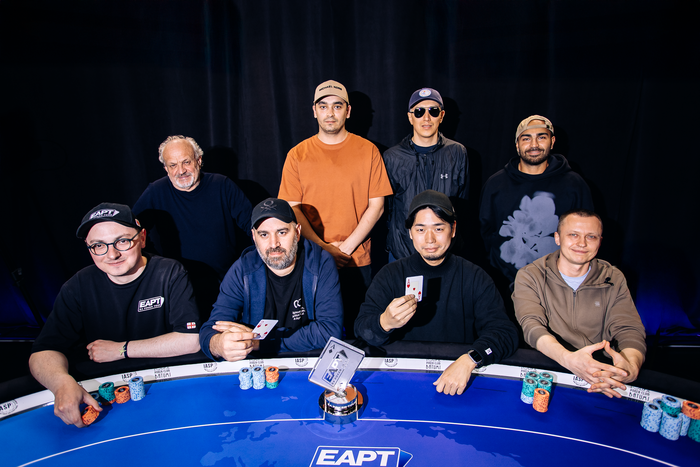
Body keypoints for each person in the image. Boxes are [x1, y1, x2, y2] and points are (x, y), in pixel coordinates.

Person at [29, 203, 201, 427]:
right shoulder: (77, 286)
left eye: (122, 241)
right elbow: (42, 353)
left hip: (165, 384)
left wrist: (120, 349)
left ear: (142, 238)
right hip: (106, 394)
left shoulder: (169, 272)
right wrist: (61, 383)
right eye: (98, 245)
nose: (112, 254)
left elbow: (190, 340)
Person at [355, 190, 518, 396]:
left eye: (438, 228)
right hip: (401, 377)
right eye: (420, 229)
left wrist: (471, 359)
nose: (430, 239)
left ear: (453, 229)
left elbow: (505, 333)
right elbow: (361, 329)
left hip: (455, 378)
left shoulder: (475, 276)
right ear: (410, 232)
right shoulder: (390, 274)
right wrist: (384, 322)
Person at [278, 80, 393, 337]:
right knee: (313, 334)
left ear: (348, 111)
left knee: (358, 333)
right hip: (312, 259)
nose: (330, 113)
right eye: (323, 106)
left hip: (356, 260)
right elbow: (292, 209)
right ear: (314, 110)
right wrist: (324, 248)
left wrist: (345, 249)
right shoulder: (297, 154)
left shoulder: (368, 151)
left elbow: (377, 206)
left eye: (337, 106)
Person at [513, 209, 646, 399]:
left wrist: (630, 366)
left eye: (591, 236)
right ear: (557, 238)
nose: (582, 243)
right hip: (547, 363)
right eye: (573, 235)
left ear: (600, 241)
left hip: (598, 372)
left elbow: (629, 328)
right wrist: (569, 359)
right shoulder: (531, 275)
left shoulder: (614, 277)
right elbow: (532, 326)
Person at [200, 198, 343, 360]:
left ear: (297, 232)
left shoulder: (320, 263)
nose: (274, 244)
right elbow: (210, 331)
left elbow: (330, 331)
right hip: (259, 363)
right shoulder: (242, 270)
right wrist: (218, 344)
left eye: (282, 232)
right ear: (254, 237)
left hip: (310, 359)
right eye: (264, 234)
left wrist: (262, 343)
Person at [133, 135, 252, 319]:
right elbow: (133, 231)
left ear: (199, 160)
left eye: (186, 162)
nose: (181, 171)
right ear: (166, 168)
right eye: (173, 165)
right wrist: (154, 261)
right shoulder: (156, 192)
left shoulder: (222, 185)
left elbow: (252, 225)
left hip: (226, 281)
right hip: (180, 285)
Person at [480, 115, 594, 286]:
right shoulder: (496, 184)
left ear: (552, 141)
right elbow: (484, 232)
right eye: (526, 138)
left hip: (556, 285)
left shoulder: (574, 185)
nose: (534, 145)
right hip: (504, 285)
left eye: (541, 137)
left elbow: (588, 235)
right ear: (517, 144)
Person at [383, 88, 468, 262]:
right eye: (419, 112)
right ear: (410, 117)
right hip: (403, 253)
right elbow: (388, 208)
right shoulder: (392, 157)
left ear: (441, 116)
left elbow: (462, 204)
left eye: (433, 111)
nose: (426, 118)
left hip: (445, 254)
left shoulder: (457, 152)